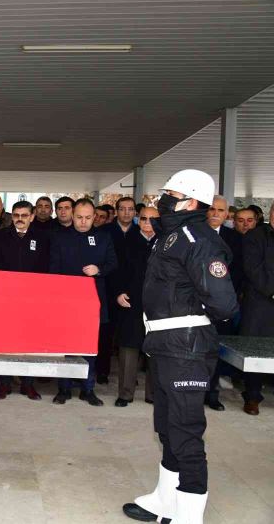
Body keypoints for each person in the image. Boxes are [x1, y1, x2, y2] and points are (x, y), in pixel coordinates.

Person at [122, 169, 238, 524]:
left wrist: (191, 316)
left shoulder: (197, 239)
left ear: (189, 200)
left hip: (185, 347)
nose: (161, 200)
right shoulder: (173, 235)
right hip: (165, 343)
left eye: (169, 194)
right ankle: (165, 501)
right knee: (167, 426)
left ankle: (189, 514)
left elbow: (224, 303)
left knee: (185, 431)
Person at [51, 199, 116, 407]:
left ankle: (88, 389)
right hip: (66, 302)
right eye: (79, 217)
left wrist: (99, 270)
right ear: (72, 215)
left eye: (88, 217)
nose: (83, 221)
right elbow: (52, 269)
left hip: (93, 301)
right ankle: (64, 388)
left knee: (90, 348)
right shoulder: (60, 238)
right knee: (66, 347)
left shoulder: (103, 237)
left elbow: (113, 263)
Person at [0, 200, 49, 400]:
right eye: (16, 215)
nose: (20, 219)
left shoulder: (42, 238)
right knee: (4, 342)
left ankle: (28, 384)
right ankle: (4, 383)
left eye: (24, 215)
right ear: (11, 216)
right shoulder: (0, 236)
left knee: (30, 342)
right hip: (6, 298)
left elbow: (46, 269)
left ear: (32, 216)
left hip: (33, 299)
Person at [114, 206, 159, 407]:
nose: (147, 223)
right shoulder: (127, 242)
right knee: (129, 349)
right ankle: (125, 393)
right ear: (138, 221)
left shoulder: (168, 244)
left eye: (152, 219)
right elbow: (116, 270)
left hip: (159, 307)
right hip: (130, 303)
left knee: (156, 350)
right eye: (143, 218)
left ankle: (153, 394)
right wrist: (118, 293)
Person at [204, 195, 244, 411]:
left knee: (216, 350)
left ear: (227, 214)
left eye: (220, 210)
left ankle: (212, 393)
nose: (215, 213)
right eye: (211, 209)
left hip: (222, 304)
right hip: (195, 303)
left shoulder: (234, 239)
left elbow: (238, 273)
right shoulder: (193, 234)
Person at [238, 203, 274, 416]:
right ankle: (252, 396)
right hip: (260, 302)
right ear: (270, 213)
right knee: (255, 349)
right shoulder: (256, 236)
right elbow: (253, 268)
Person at [102, 197, 140, 384]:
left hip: (132, 291)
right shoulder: (105, 231)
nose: (126, 212)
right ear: (116, 211)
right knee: (106, 333)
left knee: (130, 335)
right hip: (108, 288)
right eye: (123, 209)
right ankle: (102, 372)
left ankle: (131, 376)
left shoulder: (141, 232)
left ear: (135, 212)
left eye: (130, 209)